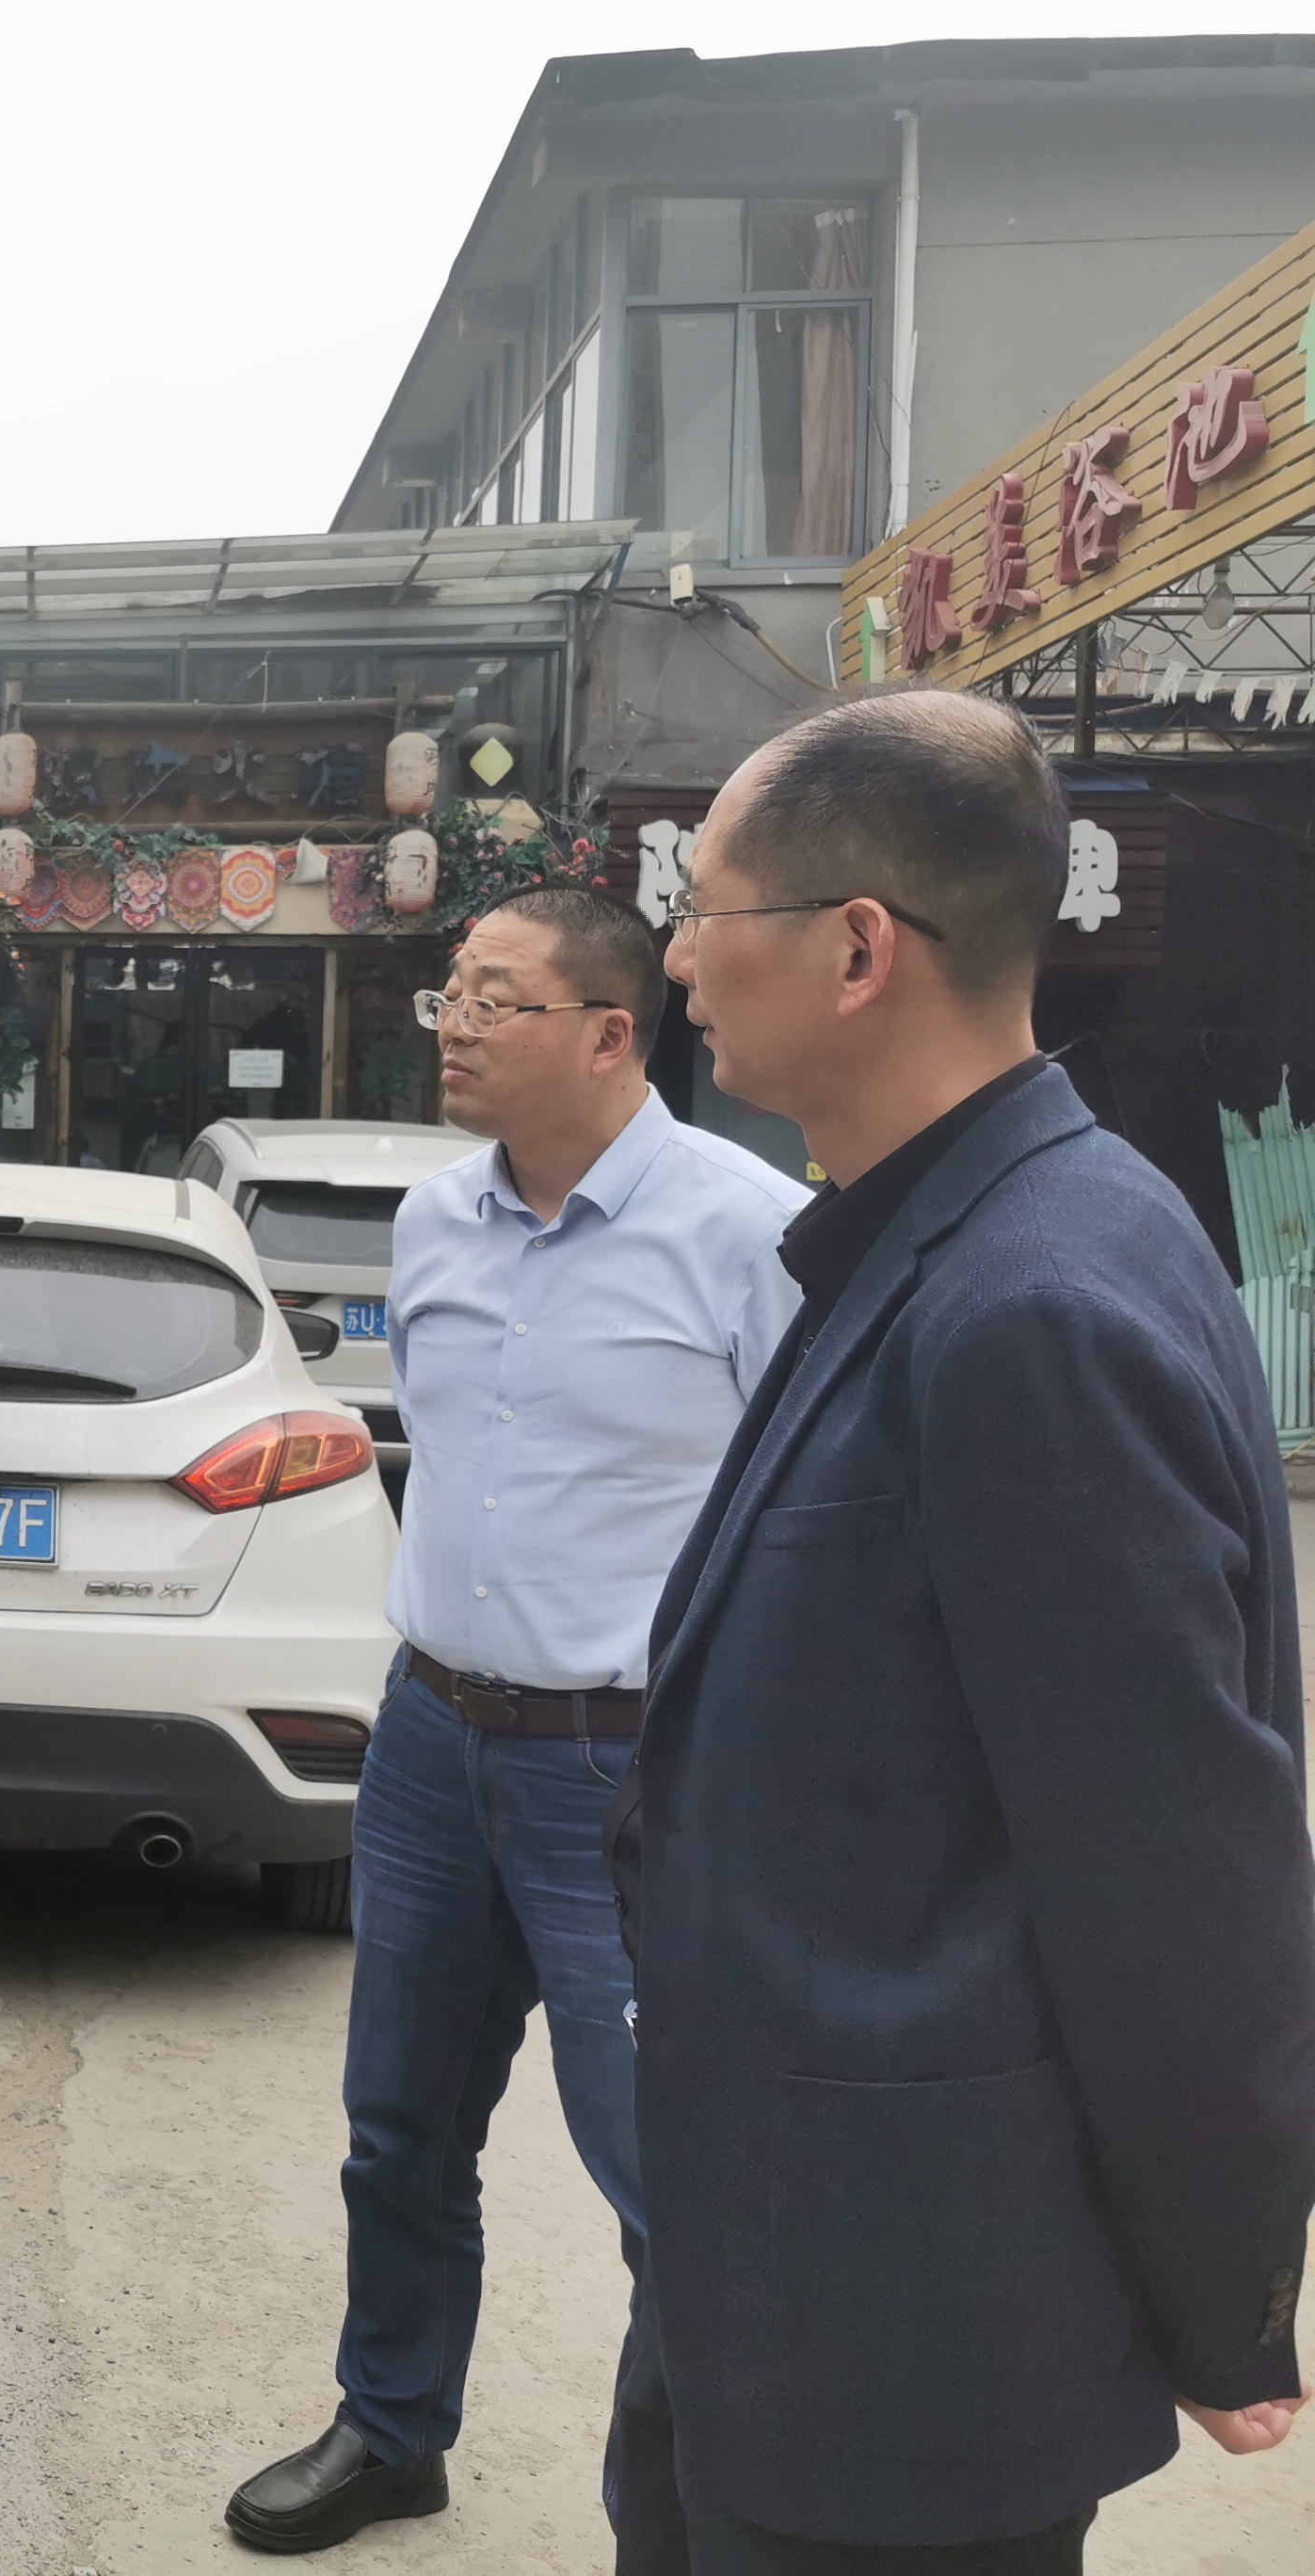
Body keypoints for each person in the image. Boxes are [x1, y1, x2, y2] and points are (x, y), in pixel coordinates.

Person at [617, 690, 1315, 2574]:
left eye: (706, 906)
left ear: (859, 949)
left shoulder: (1032, 1304)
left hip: (899, 2353)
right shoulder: (940, 1231)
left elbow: (1174, 1869)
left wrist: (1225, 2292)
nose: (676, 954)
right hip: (772, 2264)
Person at [228, 887, 806, 2554]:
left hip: (626, 1768)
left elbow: (810, 1507)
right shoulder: (434, 1221)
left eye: (497, 999)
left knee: (661, 2168)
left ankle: (699, 2508)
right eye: (452, 997)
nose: (457, 1028)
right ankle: (392, 2427)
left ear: (613, 1035)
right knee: (400, 2125)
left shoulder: (753, 1233)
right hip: (430, 1741)